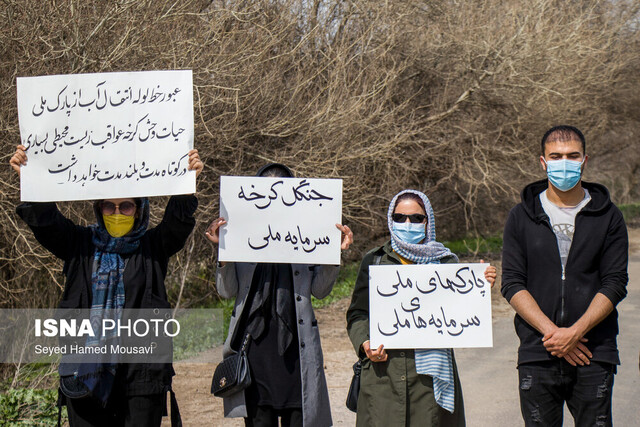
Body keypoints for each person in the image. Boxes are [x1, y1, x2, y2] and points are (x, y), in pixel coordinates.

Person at [10, 144, 203, 427]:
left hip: (141, 377)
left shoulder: (152, 247)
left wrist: (187, 180)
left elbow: (177, 223)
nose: (116, 212)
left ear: (138, 210)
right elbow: (47, 223)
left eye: (125, 206)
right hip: (85, 373)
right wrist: (30, 176)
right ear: (99, 209)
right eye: (108, 206)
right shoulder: (79, 245)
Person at [206, 163, 354, 427]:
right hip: (254, 354)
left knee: (300, 417)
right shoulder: (241, 237)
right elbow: (226, 291)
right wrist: (223, 253)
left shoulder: (308, 234)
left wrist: (333, 256)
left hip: (297, 353)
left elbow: (320, 291)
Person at [501, 125, 628, 426]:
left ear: (585, 161)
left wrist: (573, 333)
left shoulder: (609, 216)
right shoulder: (520, 216)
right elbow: (512, 282)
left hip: (593, 352)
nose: (564, 163)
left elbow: (615, 282)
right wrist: (553, 335)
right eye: (555, 156)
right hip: (538, 350)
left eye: (572, 156)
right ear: (543, 163)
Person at [346, 189, 497, 427]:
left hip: (429, 383)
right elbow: (358, 314)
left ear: (427, 222)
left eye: (416, 218)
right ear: (390, 220)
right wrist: (365, 344)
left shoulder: (446, 262)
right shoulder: (374, 260)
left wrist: (479, 285)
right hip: (384, 375)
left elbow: (458, 317)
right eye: (400, 217)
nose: (408, 223)